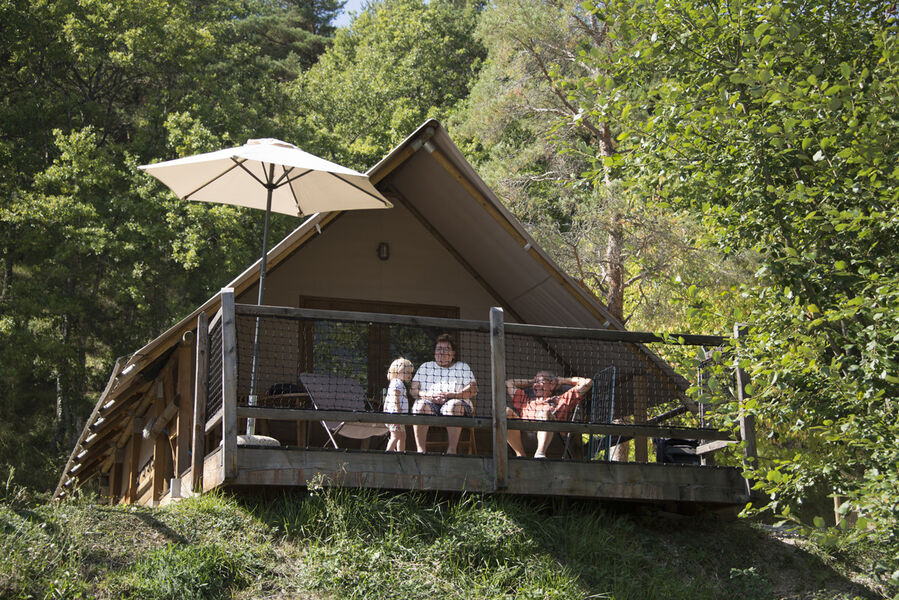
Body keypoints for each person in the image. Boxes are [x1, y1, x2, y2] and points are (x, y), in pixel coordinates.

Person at [410, 333, 478, 454]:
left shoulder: (462, 367)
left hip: (457, 404)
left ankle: (452, 451)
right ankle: (421, 452)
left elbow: (473, 389)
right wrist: (429, 396)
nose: (442, 352)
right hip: (430, 403)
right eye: (439, 349)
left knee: (453, 405)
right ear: (435, 352)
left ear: (453, 353)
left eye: (446, 349)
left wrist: (453, 395)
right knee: (419, 406)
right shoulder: (426, 366)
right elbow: (413, 390)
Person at [505, 371, 592, 458]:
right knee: (505, 412)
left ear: (552, 385)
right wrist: (532, 381)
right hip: (525, 436)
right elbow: (509, 383)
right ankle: (520, 454)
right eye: (535, 383)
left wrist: (562, 380)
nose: (536, 385)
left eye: (540, 381)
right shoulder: (524, 400)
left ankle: (540, 453)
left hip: (554, 439)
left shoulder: (562, 400)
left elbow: (587, 382)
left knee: (545, 412)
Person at [384, 358, 413, 452]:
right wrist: (398, 411)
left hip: (399, 416)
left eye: (410, 372)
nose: (409, 375)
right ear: (398, 371)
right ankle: (387, 455)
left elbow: (387, 399)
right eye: (407, 372)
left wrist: (385, 410)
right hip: (396, 416)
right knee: (395, 436)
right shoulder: (397, 383)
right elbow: (395, 398)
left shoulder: (398, 383)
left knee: (402, 436)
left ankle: (400, 455)